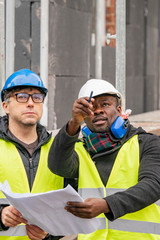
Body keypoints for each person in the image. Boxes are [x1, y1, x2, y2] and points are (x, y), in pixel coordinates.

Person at [48, 79, 160, 240]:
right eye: (92, 107)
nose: (98, 111)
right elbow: (57, 166)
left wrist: (106, 205)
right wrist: (74, 122)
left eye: (105, 104)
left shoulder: (146, 143)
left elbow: (153, 185)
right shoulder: (81, 150)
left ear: (119, 110)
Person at [0, 69, 65, 240]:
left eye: (37, 97)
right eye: (21, 97)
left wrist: (49, 234)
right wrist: (1, 215)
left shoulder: (57, 150)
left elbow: (68, 210)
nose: (30, 103)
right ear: (5, 106)